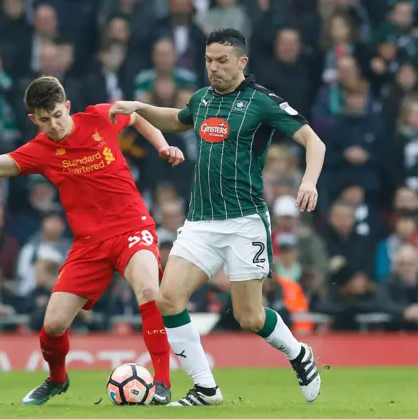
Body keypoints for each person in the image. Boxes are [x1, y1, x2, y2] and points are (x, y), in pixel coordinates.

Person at [109, 28, 325, 406]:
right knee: (168, 298)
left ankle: (298, 354)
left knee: (249, 317)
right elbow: (176, 119)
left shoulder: (262, 102)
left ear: (242, 62)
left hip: (245, 222)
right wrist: (137, 107)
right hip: (201, 221)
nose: (214, 68)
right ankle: (206, 388)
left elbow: (313, 141)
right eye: (209, 60)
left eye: (222, 61)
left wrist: (309, 181)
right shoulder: (202, 99)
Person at [0, 76, 186, 406]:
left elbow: (137, 116)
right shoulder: (40, 150)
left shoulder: (99, 117)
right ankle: (57, 379)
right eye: (45, 120)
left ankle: (162, 382)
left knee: (149, 289)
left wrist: (161, 145)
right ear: (34, 119)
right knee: (53, 326)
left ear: (68, 108)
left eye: (58, 115)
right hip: (89, 243)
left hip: (131, 227)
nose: (55, 125)